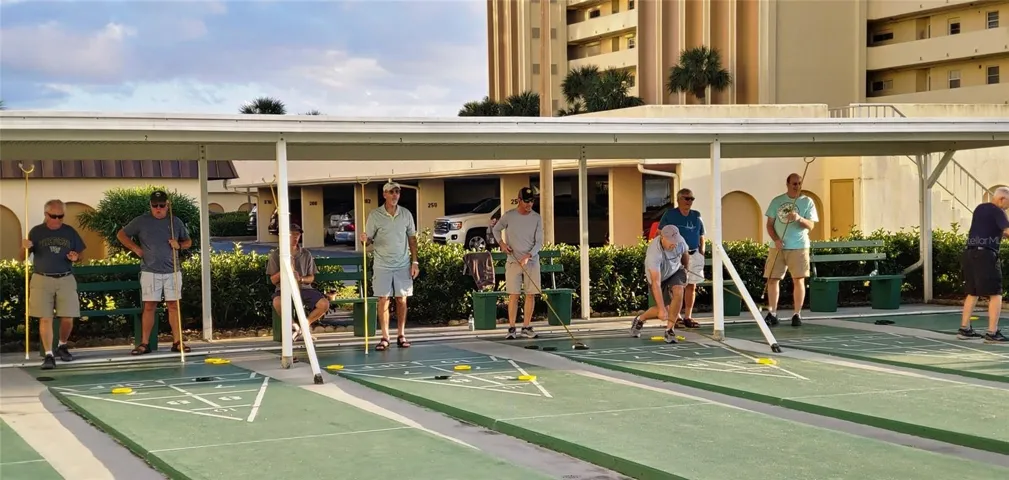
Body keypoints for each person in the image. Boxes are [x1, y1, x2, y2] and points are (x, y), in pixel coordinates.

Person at [116, 190, 192, 355]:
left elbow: (188, 242)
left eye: (162, 205)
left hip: (172, 270)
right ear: (150, 205)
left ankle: (177, 342)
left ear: (167, 205)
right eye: (155, 205)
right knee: (149, 306)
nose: (158, 208)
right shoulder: (141, 221)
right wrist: (135, 248)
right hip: (150, 270)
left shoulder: (175, 222)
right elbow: (121, 234)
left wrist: (179, 245)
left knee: (173, 305)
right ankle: (144, 343)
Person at [22, 199, 86, 369]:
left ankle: (62, 344)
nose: (57, 220)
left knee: (68, 317)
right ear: (46, 214)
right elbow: (22, 257)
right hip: (42, 278)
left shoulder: (70, 232)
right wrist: (24, 247)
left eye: (61, 216)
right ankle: (49, 354)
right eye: (53, 216)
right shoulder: (36, 232)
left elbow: (80, 255)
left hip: (65, 277)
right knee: (45, 318)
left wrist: (76, 257)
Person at [359, 181, 418, 350]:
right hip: (382, 264)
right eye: (391, 192)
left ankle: (401, 334)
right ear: (384, 194)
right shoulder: (375, 215)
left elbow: (412, 239)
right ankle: (385, 336)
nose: (395, 195)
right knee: (383, 299)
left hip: (402, 263)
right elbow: (368, 241)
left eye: (397, 192)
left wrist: (415, 262)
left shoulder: (406, 214)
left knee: (402, 299)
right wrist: (365, 240)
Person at [762, 173, 817, 328]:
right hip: (778, 247)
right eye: (794, 183)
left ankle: (797, 314)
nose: (797, 186)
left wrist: (799, 218)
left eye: (799, 183)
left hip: (799, 246)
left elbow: (811, 226)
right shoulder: (777, 201)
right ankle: (772, 313)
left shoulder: (807, 202)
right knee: (772, 279)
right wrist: (776, 240)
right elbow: (769, 225)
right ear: (787, 184)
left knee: (798, 279)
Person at [492, 187, 544, 340]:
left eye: (532, 201)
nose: (529, 204)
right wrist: (502, 244)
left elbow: (539, 242)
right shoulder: (509, 216)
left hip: (531, 262)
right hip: (513, 261)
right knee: (514, 295)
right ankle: (512, 328)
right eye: (527, 201)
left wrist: (529, 255)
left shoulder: (536, 218)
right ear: (519, 200)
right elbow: (496, 230)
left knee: (530, 294)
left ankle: (526, 327)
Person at [958, 186, 1009, 343]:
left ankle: (964, 329)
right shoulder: (998, 211)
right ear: (1002, 199)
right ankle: (992, 332)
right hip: (986, 254)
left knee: (972, 292)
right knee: (996, 293)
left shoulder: (980, 208)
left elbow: (986, 230)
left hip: (970, 252)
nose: (1008, 206)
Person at [266, 223, 330, 342]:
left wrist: (301, 279)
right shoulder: (276, 254)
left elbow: (311, 278)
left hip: (304, 289)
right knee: (277, 301)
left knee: (324, 304)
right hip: (284, 289)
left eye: (298, 234)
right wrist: (285, 271)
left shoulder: (306, 254)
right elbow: (273, 280)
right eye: (292, 234)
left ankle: (303, 327)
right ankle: (294, 327)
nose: (295, 237)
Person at [630, 225, 690, 344]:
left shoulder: (680, 242)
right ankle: (640, 319)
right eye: (671, 242)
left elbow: (685, 254)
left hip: (675, 271)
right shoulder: (654, 254)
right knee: (664, 309)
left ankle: (670, 330)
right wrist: (662, 309)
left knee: (679, 291)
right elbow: (656, 283)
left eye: (676, 240)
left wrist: (686, 270)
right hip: (659, 278)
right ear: (662, 238)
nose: (674, 244)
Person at [658, 188, 705, 329]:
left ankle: (688, 316)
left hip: (693, 253)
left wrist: (701, 251)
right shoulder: (670, 215)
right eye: (686, 198)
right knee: (675, 286)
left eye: (691, 199)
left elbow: (701, 234)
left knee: (692, 286)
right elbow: (660, 233)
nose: (689, 201)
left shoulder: (696, 216)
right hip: (675, 255)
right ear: (679, 200)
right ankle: (676, 316)